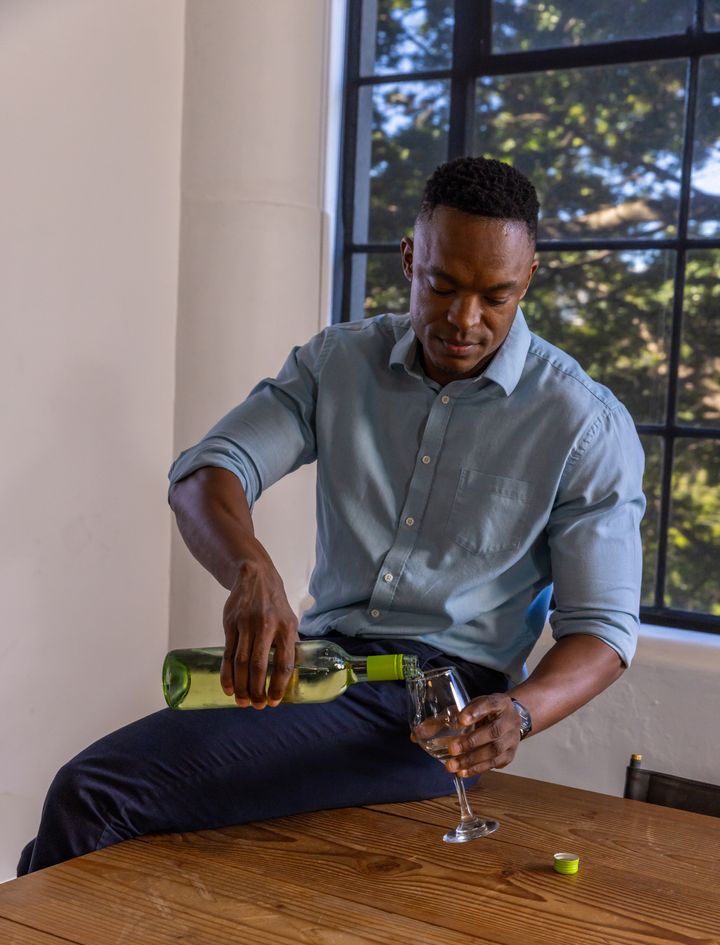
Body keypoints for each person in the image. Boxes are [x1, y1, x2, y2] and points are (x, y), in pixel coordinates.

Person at [17, 157, 644, 875]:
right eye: (442, 286)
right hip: (315, 673)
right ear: (410, 258)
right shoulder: (338, 363)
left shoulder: (583, 423)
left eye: (495, 296)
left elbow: (601, 630)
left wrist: (523, 712)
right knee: (87, 827)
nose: (465, 320)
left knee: (94, 793)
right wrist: (249, 569)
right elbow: (206, 471)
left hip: (430, 711)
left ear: (527, 278)